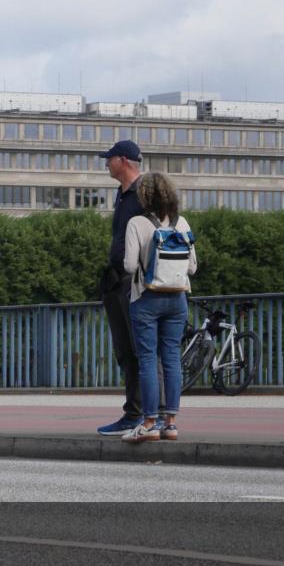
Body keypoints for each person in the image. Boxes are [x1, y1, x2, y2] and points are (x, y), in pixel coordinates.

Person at [96, 140, 167, 436]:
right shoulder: (122, 194)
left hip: (138, 282)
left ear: (123, 160)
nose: (105, 164)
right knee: (125, 350)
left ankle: (157, 415)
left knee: (144, 350)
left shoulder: (145, 193)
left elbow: (164, 232)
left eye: (109, 159)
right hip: (118, 281)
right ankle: (134, 413)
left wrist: (149, 274)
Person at [121, 173, 197, 442]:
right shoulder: (182, 222)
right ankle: (171, 424)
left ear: (144, 196)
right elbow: (192, 267)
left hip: (146, 299)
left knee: (147, 360)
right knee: (171, 358)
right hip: (177, 300)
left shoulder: (137, 223)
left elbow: (129, 266)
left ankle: (149, 423)